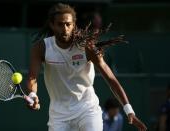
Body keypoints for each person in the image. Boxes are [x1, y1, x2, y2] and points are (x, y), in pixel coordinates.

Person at [26, 3, 147, 131]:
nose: (65, 28)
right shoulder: (41, 48)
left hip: (87, 110)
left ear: (73, 25)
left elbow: (111, 79)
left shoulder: (87, 47)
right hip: (59, 116)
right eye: (60, 24)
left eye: (68, 24)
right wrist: (32, 94)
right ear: (52, 25)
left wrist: (129, 110)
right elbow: (32, 78)